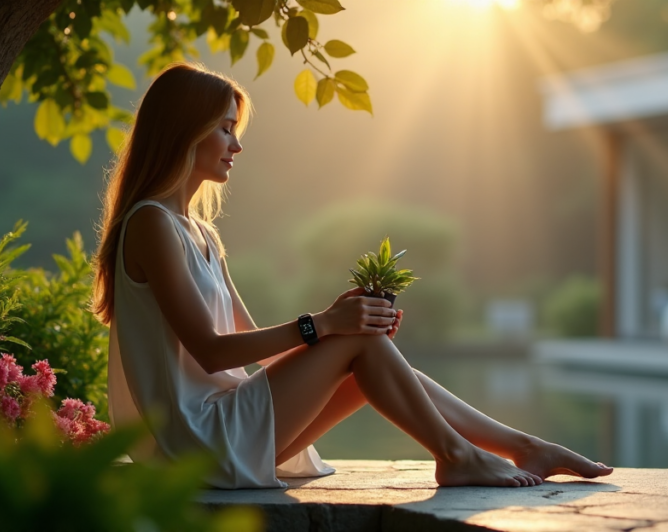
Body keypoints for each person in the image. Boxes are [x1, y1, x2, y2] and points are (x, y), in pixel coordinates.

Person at [92, 62, 613, 490]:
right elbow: (210, 350)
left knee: (364, 346)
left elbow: (260, 351)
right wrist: (323, 326)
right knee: (355, 344)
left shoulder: (200, 232)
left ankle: (520, 447)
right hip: (195, 440)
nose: (237, 145)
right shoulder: (151, 225)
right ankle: (459, 455)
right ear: (186, 129)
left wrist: (343, 326)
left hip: (225, 424)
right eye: (226, 128)